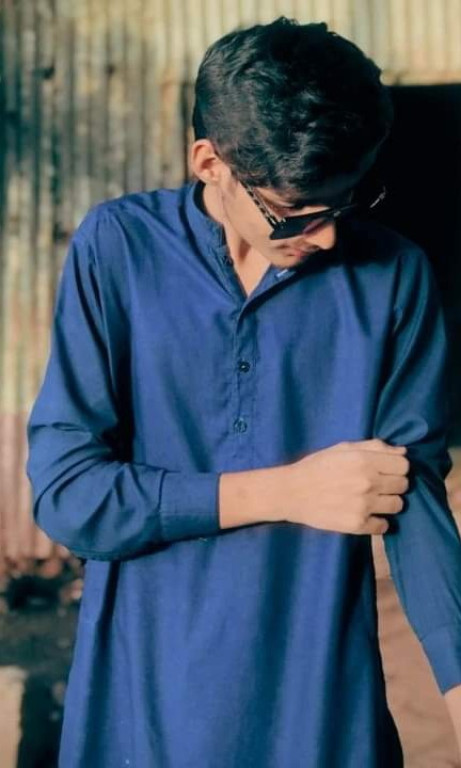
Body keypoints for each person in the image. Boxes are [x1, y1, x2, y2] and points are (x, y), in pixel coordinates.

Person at [25, 17, 461, 767]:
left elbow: (411, 495)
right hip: (142, 700)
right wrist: (287, 491)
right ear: (209, 163)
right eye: (296, 213)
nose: (328, 236)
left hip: (318, 702)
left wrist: (456, 681)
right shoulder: (118, 250)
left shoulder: (394, 276)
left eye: (347, 201)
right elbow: (70, 498)